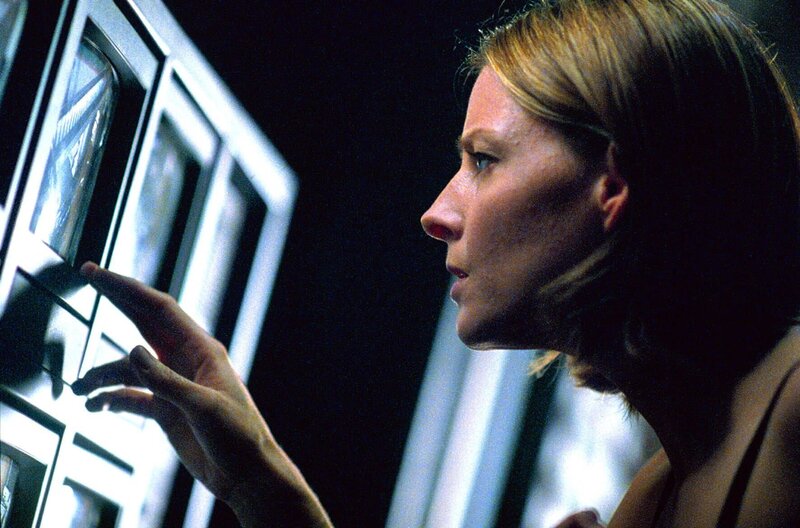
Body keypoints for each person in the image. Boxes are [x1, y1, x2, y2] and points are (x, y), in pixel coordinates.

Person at [72, 0, 800, 526]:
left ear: (613, 184)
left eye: (484, 160)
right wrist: (258, 480)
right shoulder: (657, 494)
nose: (436, 214)